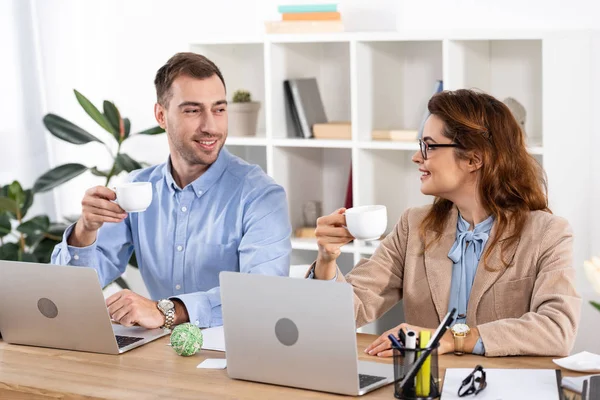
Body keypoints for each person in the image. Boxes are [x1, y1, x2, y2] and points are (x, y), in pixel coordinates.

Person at [309, 89, 581, 357]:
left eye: (429, 146)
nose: (417, 157)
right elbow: (347, 313)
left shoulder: (548, 233)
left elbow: (557, 329)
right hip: (427, 387)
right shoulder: (413, 226)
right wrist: (327, 259)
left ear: (474, 159)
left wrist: (454, 338)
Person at [51, 52, 292, 331]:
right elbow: (69, 291)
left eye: (219, 109)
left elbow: (261, 295)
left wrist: (166, 311)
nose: (210, 126)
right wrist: (85, 230)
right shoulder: (137, 189)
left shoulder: (260, 196)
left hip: (234, 354)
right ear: (161, 115)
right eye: (192, 110)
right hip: (160, 353)